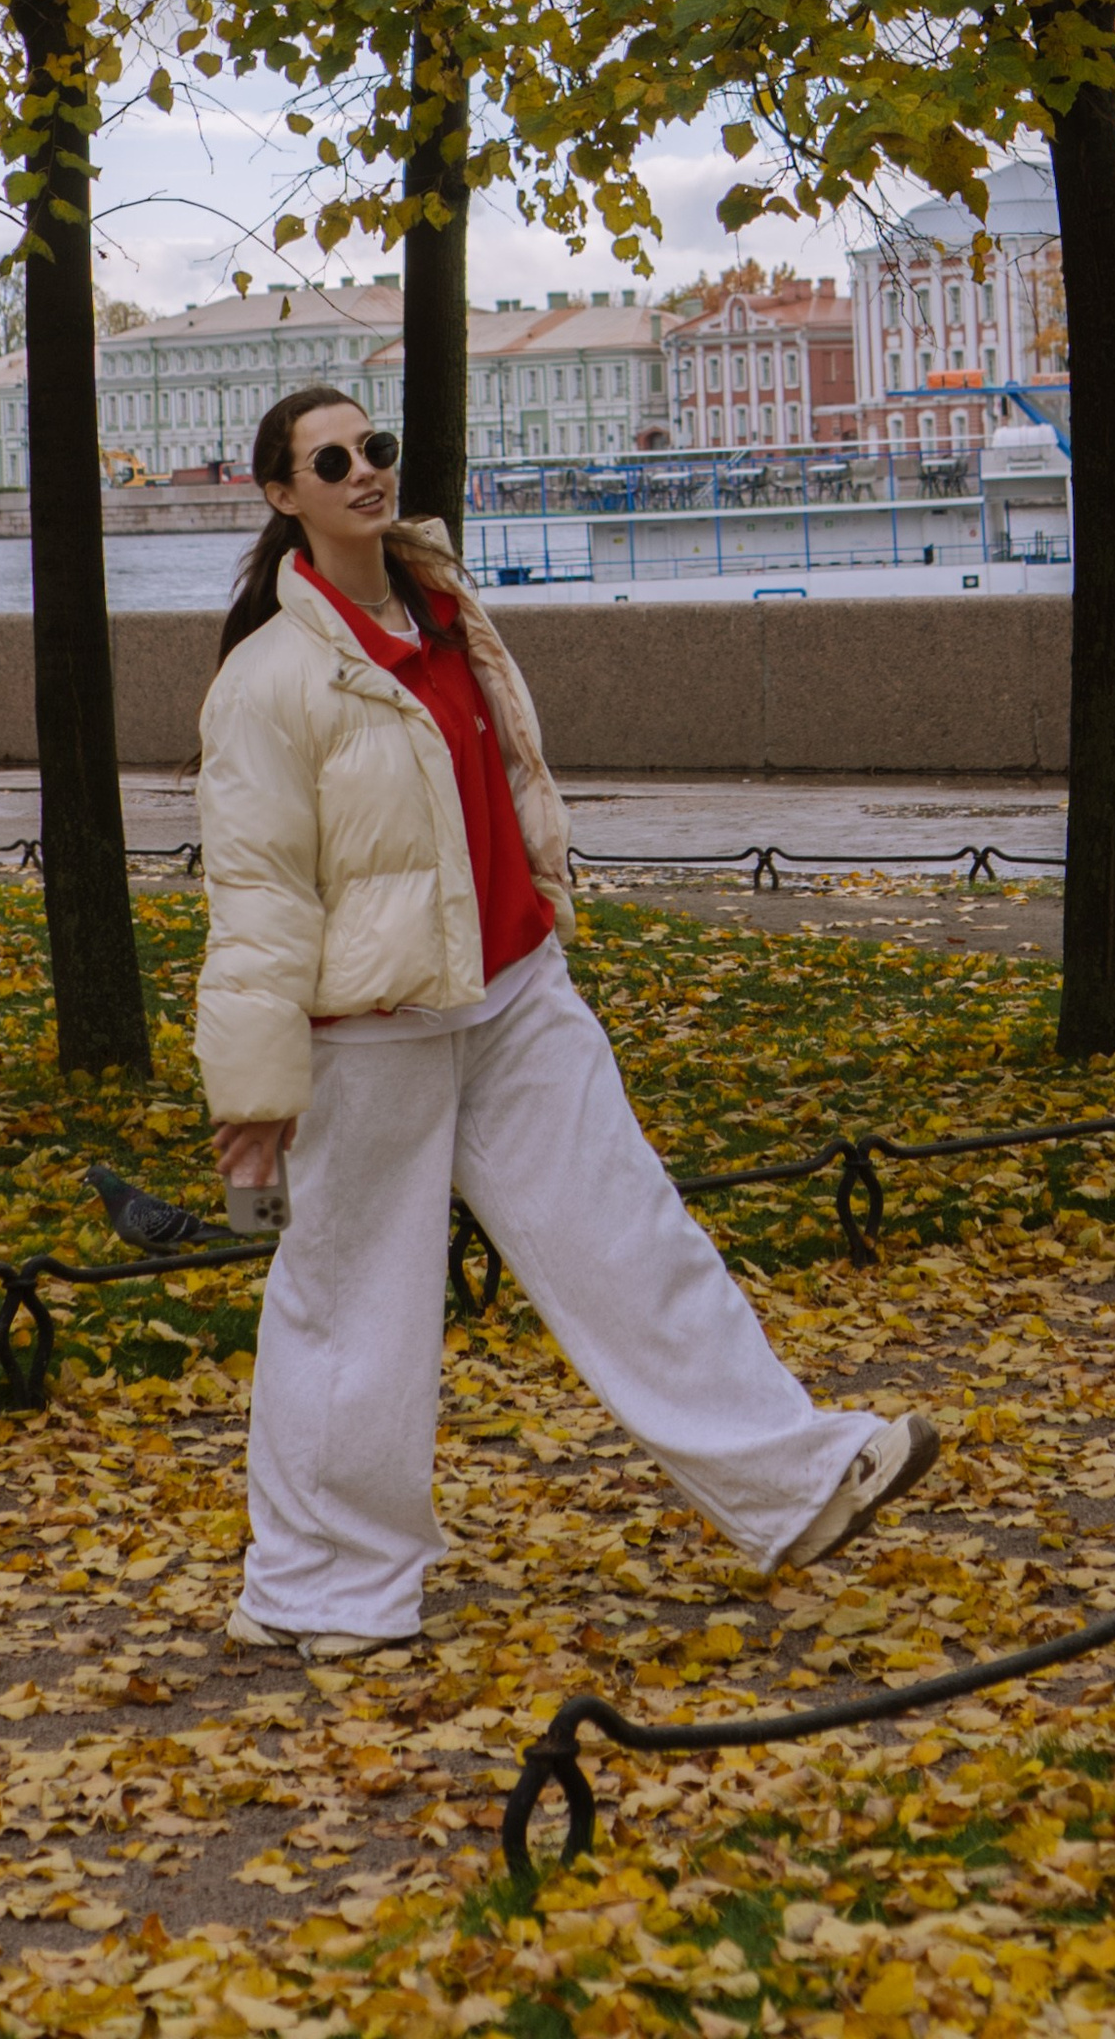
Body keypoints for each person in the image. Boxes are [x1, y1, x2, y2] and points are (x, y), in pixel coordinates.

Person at [192, 380, 939, 1655]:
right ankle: (319, 1592)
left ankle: (797, 1480)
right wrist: (253, 1104)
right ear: (281, 495)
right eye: (333, 461)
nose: (366, 471)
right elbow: (256, 901)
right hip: (375, 1024)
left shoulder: (444, 609)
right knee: (351, 1306)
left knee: (632, 1235)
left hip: (517, 984)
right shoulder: (268, 681)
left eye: (378, 446)